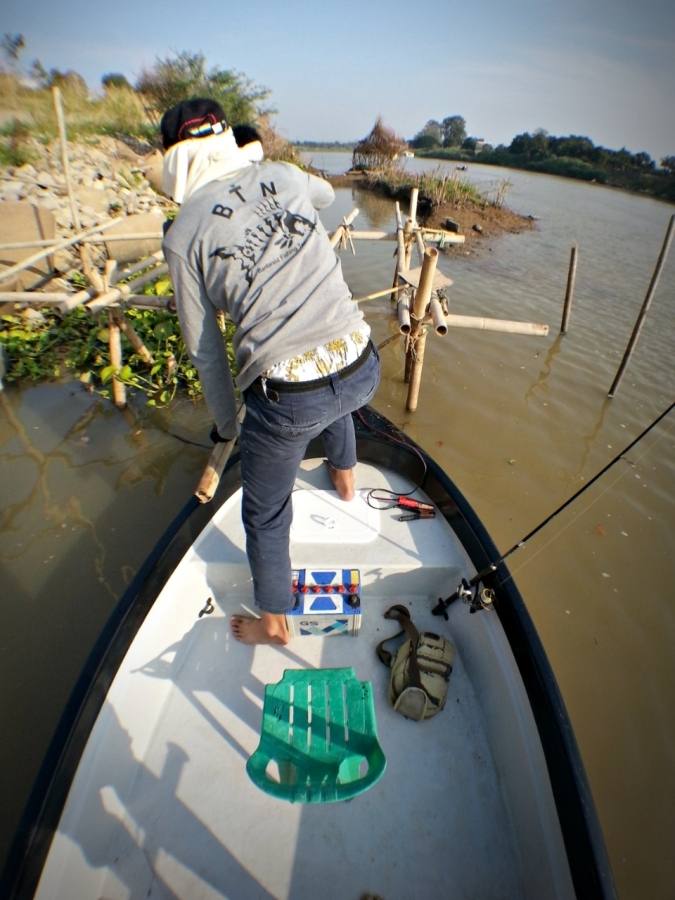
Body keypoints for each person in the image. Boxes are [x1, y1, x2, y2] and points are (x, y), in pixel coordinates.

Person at [160, 98, 380, 646]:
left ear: (173, 159)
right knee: (334, 387)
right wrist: (282, 186)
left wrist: (229, 427)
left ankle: (275, 620)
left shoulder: (183, 233)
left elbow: (205, 349)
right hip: (361, 360)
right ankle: (346, 475)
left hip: (288, 393)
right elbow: (326, 194)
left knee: (265, 510)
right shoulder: (281, 174)